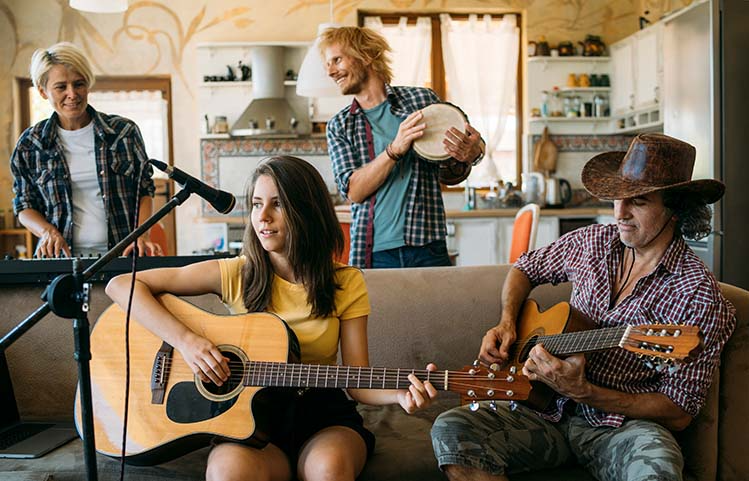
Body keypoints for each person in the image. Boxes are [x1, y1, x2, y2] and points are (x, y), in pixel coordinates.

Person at [106, 155, 438, 481]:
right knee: (226, 473)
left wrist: (398, 394)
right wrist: (187, 342)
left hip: (323, 417)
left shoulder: (345, 282)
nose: (262, 216)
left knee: (328, 470)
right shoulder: (237, 273)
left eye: (277, 204)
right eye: (256, 204)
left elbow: (357, 381)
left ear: (306, 211)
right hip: (247, 422)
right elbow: (121, 285)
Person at [430, 134, 736, 481]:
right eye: (617, 198)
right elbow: (524, 268)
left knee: (659, 468)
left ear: (676, 209)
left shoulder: (697, 293)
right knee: (453, 429)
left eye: (638, 201)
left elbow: (679, 411)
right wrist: (507, 323)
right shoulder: (592, 242)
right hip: (542, 411)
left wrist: (585, 392)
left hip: (621, 427)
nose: (619, 213)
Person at [321, 26, 485, 268]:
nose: (331, 72)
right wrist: (393, 150)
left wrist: (472, 153)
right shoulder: (340, 125)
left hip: (427, 246)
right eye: (327, 64)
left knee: (442, 308)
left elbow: (455, 166)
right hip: (373, 254)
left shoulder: (421, 101)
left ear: (366, 56)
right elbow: (353, 191)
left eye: (337, 60)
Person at [10, 42, 160, 258]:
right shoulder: (30, 144)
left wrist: (142, 235)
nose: (72, 94)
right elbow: (24, 206)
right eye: (61, 87)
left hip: (124, 255)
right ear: (43, 91)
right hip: (60, 261)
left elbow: (144, 190)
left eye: (79, 84)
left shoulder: (123, 132)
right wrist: (47, 232)